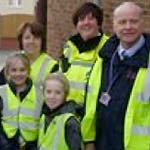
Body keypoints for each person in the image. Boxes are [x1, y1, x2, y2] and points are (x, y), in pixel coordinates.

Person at [86, 2, 150, 150]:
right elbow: (91, 102)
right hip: (101, 143)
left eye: (133, 21)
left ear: (143, 23)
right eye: (122, 22)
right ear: (114, 25)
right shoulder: (104, 57)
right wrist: (89, 139)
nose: (128, 27)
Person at [61, 2, 108, 149]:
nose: (86, 23)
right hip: (69, 120)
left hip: (96, 126)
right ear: (76, 24)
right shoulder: (69, 48)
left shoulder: (108, 49)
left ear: (99, 23)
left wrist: (90, 138)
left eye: (91, 18)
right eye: (81, 19)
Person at [0, 52, 43, 149]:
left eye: (22, 70)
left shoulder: (40, 94)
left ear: (28, 71)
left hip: (32, 145)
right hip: (7, 143)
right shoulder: (1, 93)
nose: (18, 74)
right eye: (14, 70)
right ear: (7, 72)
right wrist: (4, 145)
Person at [0, 21, 58, 86]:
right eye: (27, 38)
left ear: (42, 41)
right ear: (21, 41)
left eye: (36, 38)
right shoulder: (12, 60)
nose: (31, 41)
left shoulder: (52, 66)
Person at [37, 72, 83, 150]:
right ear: (43, 93)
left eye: (58, 93)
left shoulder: (70, 122)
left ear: (65, 95)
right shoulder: (44, 116)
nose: (52, 96)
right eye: (48, 92)